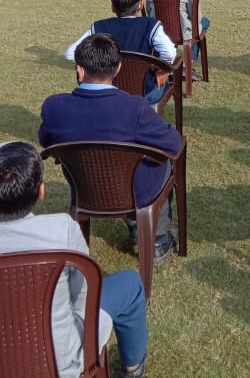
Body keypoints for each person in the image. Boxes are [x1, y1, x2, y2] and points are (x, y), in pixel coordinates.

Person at [0, 142, 150, 378]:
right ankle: (131, 371)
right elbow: (83, 294)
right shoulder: (62, 231)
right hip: (60, 360)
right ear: (41, 191)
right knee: (130, 284)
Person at [43, 33, 182, 264]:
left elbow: (47, 141)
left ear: (79, 70)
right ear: (118, 68)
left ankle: (141, 229)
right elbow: (173, 143)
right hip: (132, 190)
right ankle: (157, 239)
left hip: (83, 183)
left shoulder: (54, 107)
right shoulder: (135, 107)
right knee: (164, 160)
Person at [65, 0, 176, 105]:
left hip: (105, 89)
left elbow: (70, 54)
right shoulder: (151, 25)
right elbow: (169, 53)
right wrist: (160, 70)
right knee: (163, 82)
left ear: (113, 7)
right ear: (141, 5)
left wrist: (92, 68)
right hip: (144, 90)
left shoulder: (99, 27)